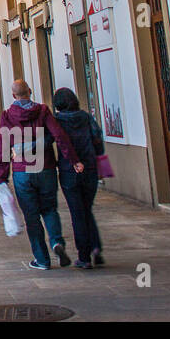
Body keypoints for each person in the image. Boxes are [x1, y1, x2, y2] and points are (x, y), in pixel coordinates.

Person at [0, 80, 82, 270]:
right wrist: (73, 159)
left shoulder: (8, 116)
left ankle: (42, 260)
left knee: (31, 217)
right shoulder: (43, 111)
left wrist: (2, 177)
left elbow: (3, 146)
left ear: (13, 96)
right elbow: (59, 135)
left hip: (22, 172)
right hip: (46, 168)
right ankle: (56, 242)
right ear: (30, 92)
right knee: (50, 209)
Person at [52, 87, 105, 268]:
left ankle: (84, 257)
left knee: (77, 213)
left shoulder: (57, 121)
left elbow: (51, 140)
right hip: (90, 168)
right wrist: (97, 157)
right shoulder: (86, 117)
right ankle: (96, 248)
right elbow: (97, 139)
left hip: (69, 171)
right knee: (87, 209)